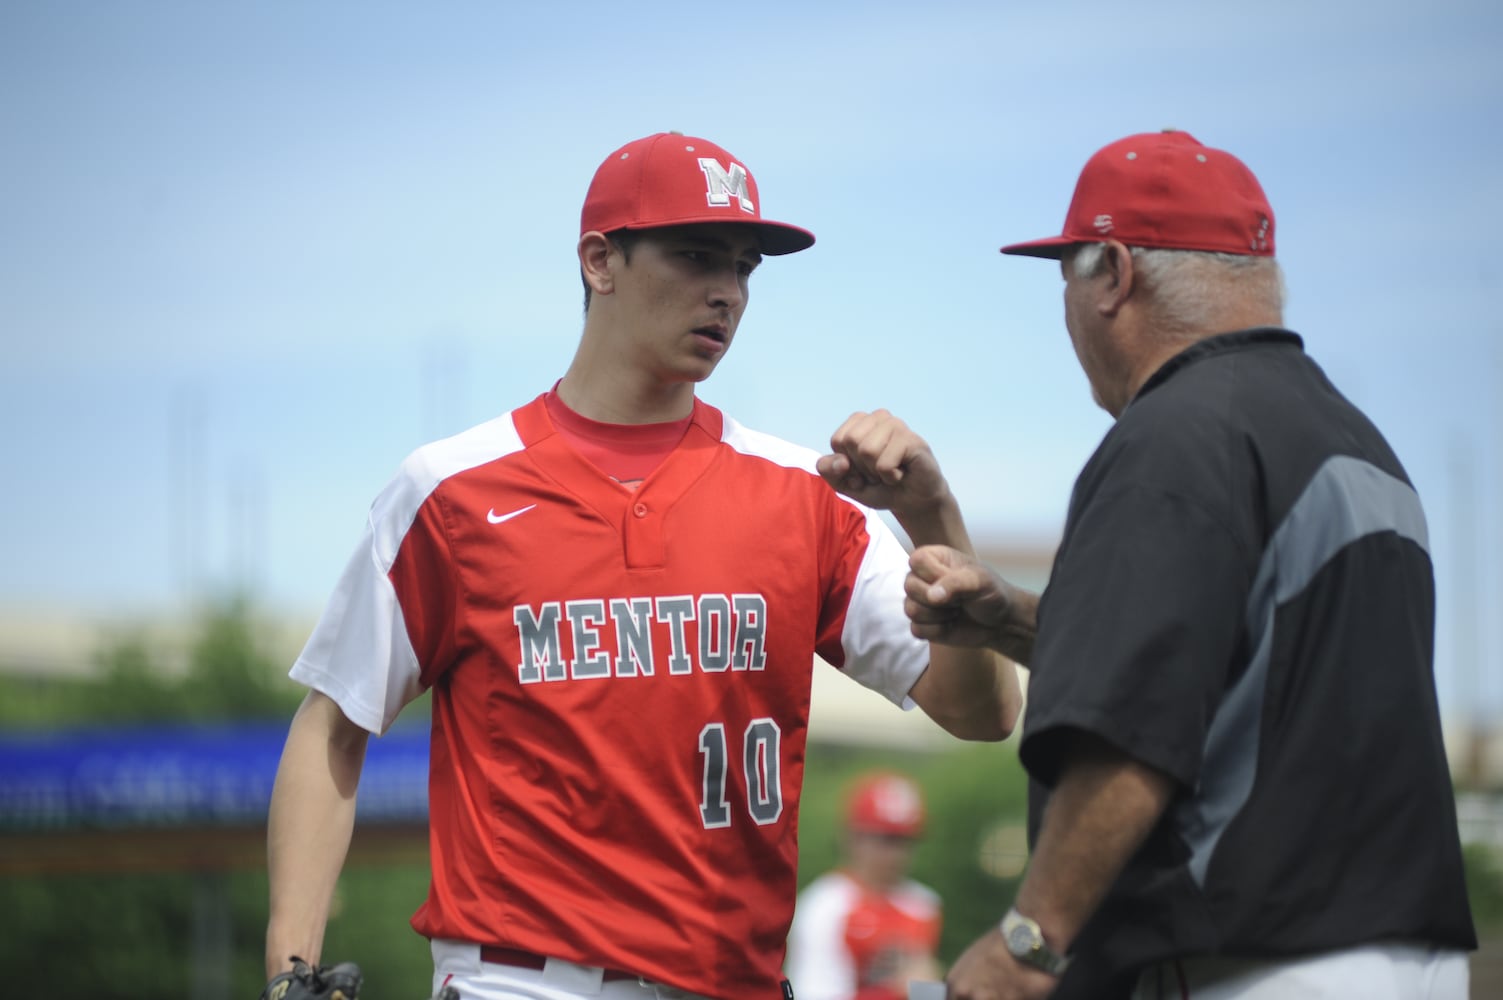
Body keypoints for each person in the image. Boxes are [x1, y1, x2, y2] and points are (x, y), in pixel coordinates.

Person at [262, 131, 1023, 1000]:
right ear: (599, 261)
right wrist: (292, 971)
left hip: (730, 980)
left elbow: (981, 712)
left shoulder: (804, 496)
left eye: (744, 267)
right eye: (696, 255)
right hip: (520, 982)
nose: (726, 292)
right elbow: (334, 726)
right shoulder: (450, 489)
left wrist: (932, 517)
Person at [902, 129, 1477, 999]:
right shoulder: (1356, 443)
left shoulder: (1175, 436)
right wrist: (1017, 621)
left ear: (1115, 276)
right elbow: (1241, 672)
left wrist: (1030, 940)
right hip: (1408, 957)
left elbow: (1134, 728)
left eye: (1067, 275)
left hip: (1255, 963)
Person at [785, 770, 944, 1000]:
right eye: (886, 840)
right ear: (853, 837)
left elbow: (927, 994)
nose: (897, 854)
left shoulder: (923, 904)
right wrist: (894, 992)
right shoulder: (824, 906)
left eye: (905, 841)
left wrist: (926, 990)